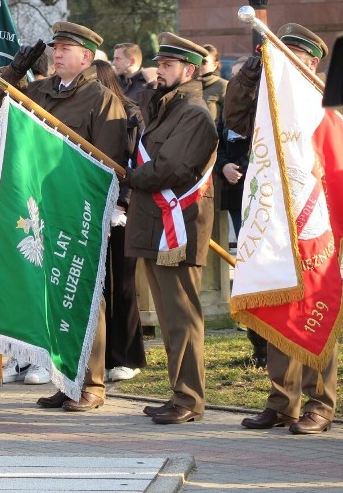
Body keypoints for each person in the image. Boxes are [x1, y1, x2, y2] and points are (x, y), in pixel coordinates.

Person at [0, 22, 129, 412]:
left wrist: (108, 208)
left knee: (85, 293)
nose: (59, 54)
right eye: (56, 48)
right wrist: (15, 72)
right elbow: (0, 108)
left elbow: (109, 162)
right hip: (43, 206)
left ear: (87, 57)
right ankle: (66, 378)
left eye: (67, 48)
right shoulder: (41, 90)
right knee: (53, 292)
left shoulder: (102, 99)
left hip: (80, 209)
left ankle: (93, 383)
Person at [231, 24, 337, 435]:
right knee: (277, 302)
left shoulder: (324, 97)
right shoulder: (269, 93)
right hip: (274, 216)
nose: (281, 60)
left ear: (310, 61)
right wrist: (251, 71)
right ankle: (282, 402)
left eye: (289, 54)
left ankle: (321, 404)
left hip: (315, 218)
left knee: (313, 308)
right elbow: (236, 118)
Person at [124, 32, 218, 424]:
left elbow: (172, 168)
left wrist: (128, 175)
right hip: (153, 227)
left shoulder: (194, 113)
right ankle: (178, 391)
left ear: (189, 69)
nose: (159, 71)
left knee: (182, 318)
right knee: (167, 318)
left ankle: (191, 398)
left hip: (177, 229)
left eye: (167, 65)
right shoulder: (165, 107)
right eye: (159, 64)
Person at [91, 60, 147, 382]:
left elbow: (135, 161)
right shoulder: (83, 113)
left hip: (121, 210)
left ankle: (126, 355)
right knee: (97, 287)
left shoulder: (130, 114)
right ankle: (100, 356)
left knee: (122, 285)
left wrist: (121, 202)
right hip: (88, 205)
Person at [214, 55, 264, 367]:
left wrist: (241, 167)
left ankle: (268, 350)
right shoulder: (229, 111)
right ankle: (258, 348)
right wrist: (224, 166)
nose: (235, 89)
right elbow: (218, 144)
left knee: (261, 269)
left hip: (259, 194)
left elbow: (263, 149)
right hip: (234, 195)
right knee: (245, 267)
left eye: (241, 84)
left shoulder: (261, 109)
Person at [199, 44, 228, 130]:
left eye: (203, 62)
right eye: (197, 61)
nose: (199, 65)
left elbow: (229, 122)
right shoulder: (188, 85)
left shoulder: (223, 86)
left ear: (215, 65)